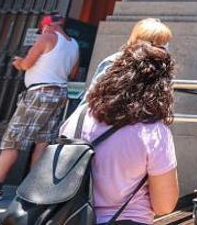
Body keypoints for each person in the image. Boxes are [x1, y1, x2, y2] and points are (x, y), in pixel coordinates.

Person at [0, 14, 80, 203]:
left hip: (39, 93)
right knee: (43, 142)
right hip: (58, 94)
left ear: (47, 25)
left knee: (13, 139)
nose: (42, 31)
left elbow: (27, 63)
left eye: (42, 28)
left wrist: (18, 63)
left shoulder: (47, 37)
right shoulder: (74, 44)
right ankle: (32, 190)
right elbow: (73, 73)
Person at [61, 41, 179, 225]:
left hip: (67, 218)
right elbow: (164, 205)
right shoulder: (153, 132)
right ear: (162, 86)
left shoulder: (79, 115)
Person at [82, 18, 173, 103]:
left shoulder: (161, 67)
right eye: (154, 43)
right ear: (139, 40)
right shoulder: (115, 62)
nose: (159, 49)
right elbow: (90, 99)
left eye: (163, 45)